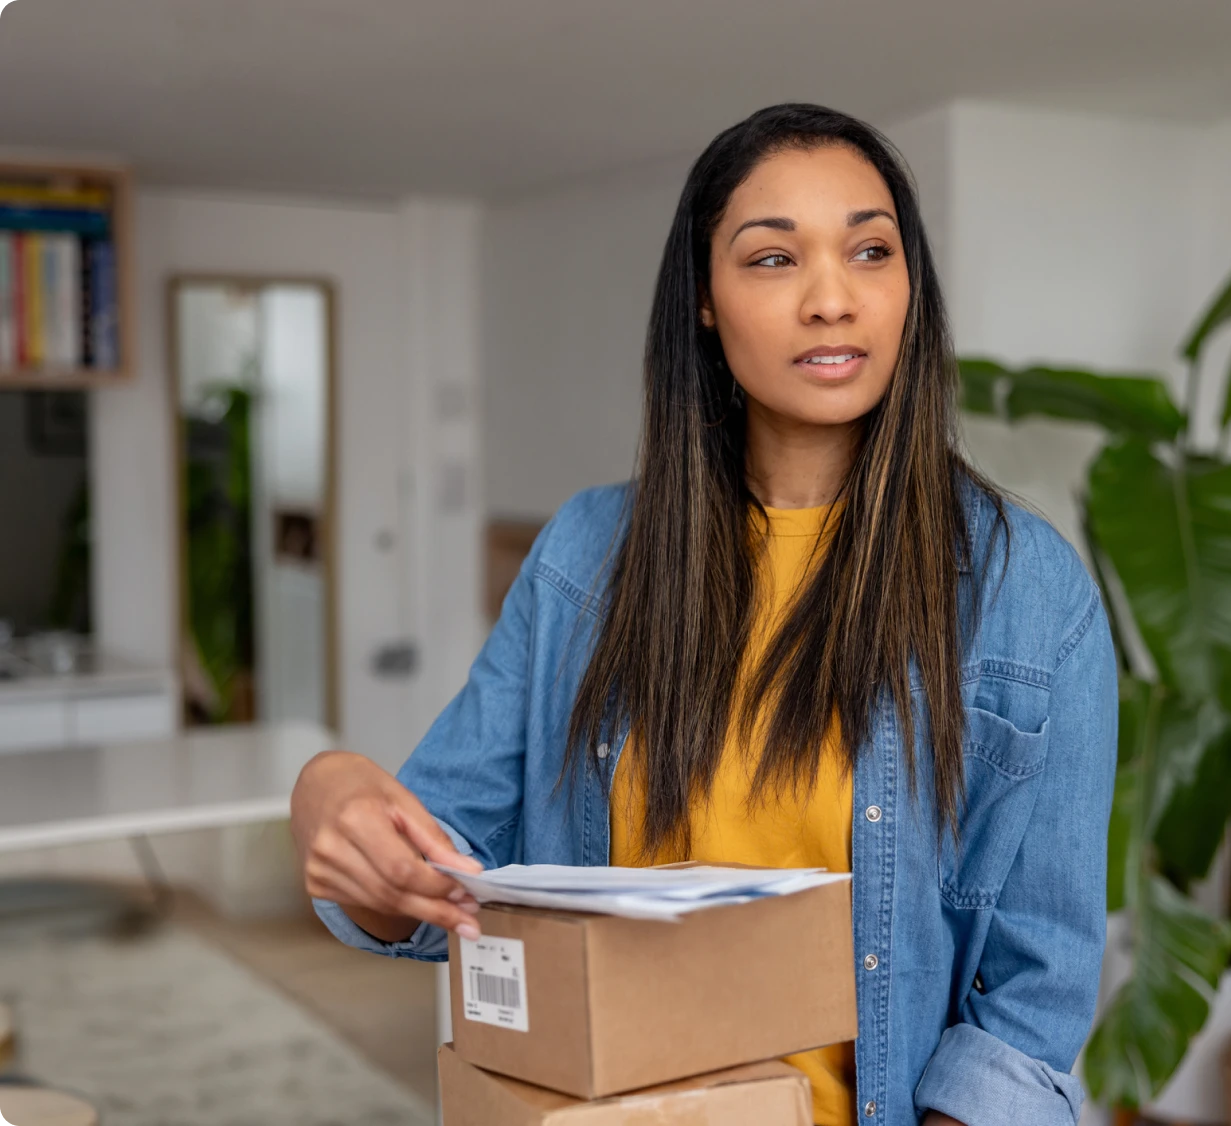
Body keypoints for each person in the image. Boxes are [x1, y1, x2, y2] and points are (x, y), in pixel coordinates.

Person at [290, 102, 1117, 1126]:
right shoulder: (586, 559)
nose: (832, 300)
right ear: (704, 303)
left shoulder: (1027, 593)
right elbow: (439, 879)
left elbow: (1030, 1003)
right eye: (773, 259)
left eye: (870, 251)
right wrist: (332, 801)